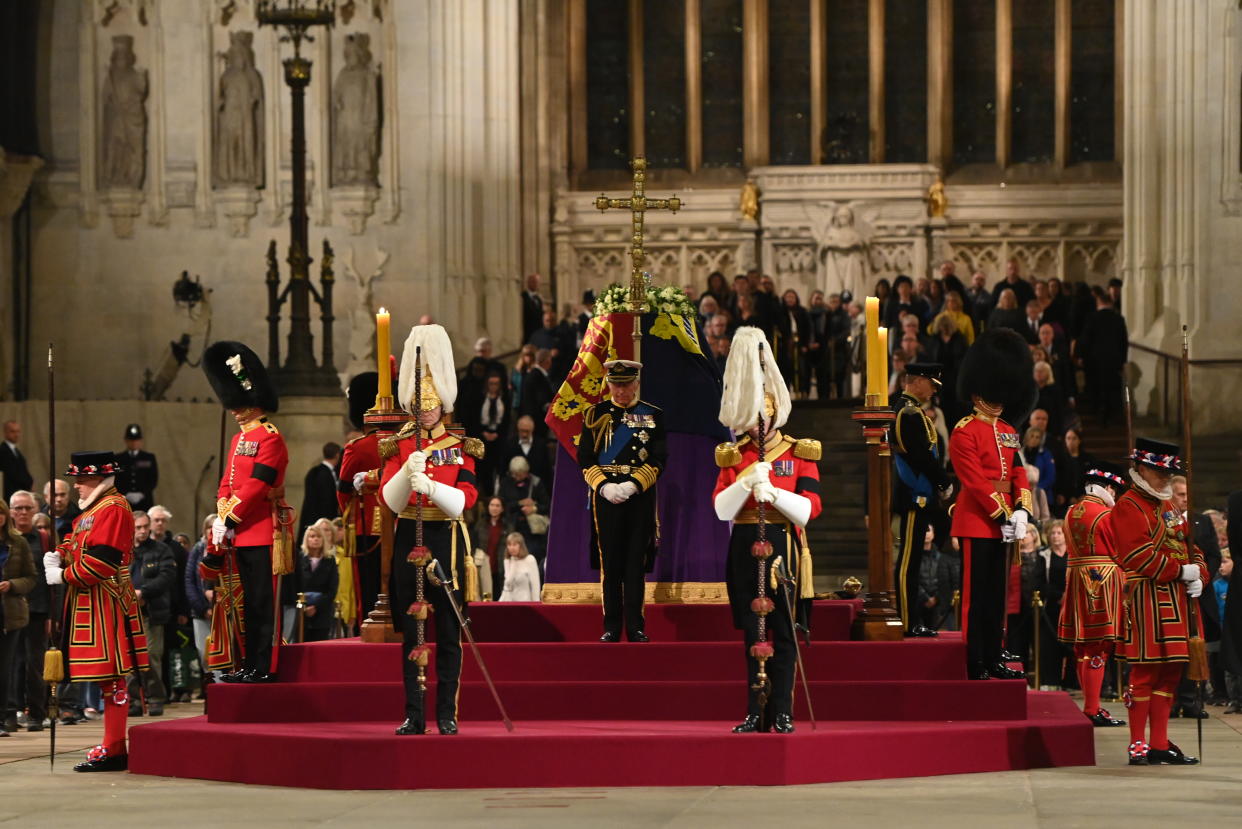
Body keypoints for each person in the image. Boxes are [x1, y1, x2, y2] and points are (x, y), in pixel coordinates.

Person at [713, 327, 822, 733]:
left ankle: (782, 710)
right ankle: (754, 711)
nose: (760, 424)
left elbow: (809, 511)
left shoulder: (799, 452)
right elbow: (722, 509)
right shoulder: (734, 455)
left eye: (765, 415)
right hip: (743, 543)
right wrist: (743, 483)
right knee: (750, 634)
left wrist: (772, 493)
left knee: (782, 633)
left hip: (782, 548)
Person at [380, 324, 483, 736]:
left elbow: (466, 500)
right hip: (410, 536)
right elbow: (388, 501)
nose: (424, 412)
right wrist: (408, 473)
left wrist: (433, 487)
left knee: (450, 633)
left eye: (431, 405)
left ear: (442, 405)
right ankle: (414, 713)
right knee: (413, 633)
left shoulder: (462, 446)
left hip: (446, 539)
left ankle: (447, 712)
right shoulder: (400, 445)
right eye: (419, 406)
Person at [41, 450, 149, 772]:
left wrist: (64, 575)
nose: (76, 486)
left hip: (106, 600)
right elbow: (76, 541)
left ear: (99, 479)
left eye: (82, 480)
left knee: (113, 678)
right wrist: (58, 555)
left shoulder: (113, 509)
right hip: (90, 602)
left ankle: (115, 748)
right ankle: (112, 745)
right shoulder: (92, 510)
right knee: (106, 679)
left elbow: (102, 562)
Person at [199, 341, 290, 684]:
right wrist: (222, 512)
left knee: (261, 604)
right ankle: (249, 663)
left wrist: (229, 517)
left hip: (263, 530)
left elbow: (257, 486)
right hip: (241, 530)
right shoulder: (239, 440)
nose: (235, 411)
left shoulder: (270, 438)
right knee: (246, 603)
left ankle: (263, 665)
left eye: (240, 405)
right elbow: (229, 481)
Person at [1112, 438, 1207, 765]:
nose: (1166, 478)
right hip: (1147, 600)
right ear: (1141, 469)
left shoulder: (1168, 506)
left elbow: (1192, 547)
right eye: (1159, 471)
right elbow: (1137, 556)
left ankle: (1159, 742)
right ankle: (1137, 742)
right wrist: (1181, 571)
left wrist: (1200, 575)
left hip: (1178, 599)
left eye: (1169, 473)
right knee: (1145, 673)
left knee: (1170, 675)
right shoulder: (1128, 504)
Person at [950, 328, 1036, 680]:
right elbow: (974, 481)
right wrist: (1003, 512)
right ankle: (975, 658)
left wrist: (1022, 509)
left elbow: (1017, 472)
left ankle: (995, 653)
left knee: (998, 597)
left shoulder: (1007, 430)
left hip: (1003, 522)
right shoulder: (964, 431)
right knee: (976, 596)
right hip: (976, 520)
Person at [578, 360, 666, 643]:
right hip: (606, 497)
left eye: (626, 384)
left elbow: (659, 458)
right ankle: (611, 626)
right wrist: (603, 486)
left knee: (634, 564)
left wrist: (633, 484)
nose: (621, 391)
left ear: (636, 384)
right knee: (611, 563)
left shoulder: (653, 415)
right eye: (616, 384)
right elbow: (585, 457)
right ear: (608, 384)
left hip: (638, 496)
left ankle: (636, 626)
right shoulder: (595, 414)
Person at [1057, 467, 1128, 725]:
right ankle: (1092, 708)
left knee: (1082, 647)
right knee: (1100, 647)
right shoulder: (1107, 514)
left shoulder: (1069, 513)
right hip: (1103, 580)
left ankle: (1091, 706)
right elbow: (1119, 551)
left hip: (1076, 579)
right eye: (1115, 491)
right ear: (1108, 488)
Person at [891, 363, 951, 637]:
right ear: (916, 381)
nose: (934, 390)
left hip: (921, 493)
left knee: (913, 559)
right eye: (931, 384)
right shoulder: (907, 412)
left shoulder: (914, 411)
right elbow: (920, 456)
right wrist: (943, 480)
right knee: (908, 561)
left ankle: (912, 619)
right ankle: (906, 620)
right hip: (914, 493)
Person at [6, 491, 50, 732]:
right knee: (11, 663)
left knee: (35, 665)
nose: (23, 512)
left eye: (27, 508)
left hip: (38, 610)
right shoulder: (6, 540)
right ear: (10, 512)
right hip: (11, 611)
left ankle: (36, 713)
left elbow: (53, 580)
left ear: (35, 511)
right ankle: (10, 713)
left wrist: (53, 615)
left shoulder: (44, 540)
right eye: (18, 508)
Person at [125, 510, 175, 716]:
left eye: (146, 526)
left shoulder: (161, 550)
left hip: (151, 611)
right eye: (139, 527)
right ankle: (134, 700)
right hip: (126, 611)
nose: (143, 531)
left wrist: (143, 592)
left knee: (151, 656)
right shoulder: (123, 550)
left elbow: (167, 577)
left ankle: (155, 698)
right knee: (129, 659)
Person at [0, 499, 37, 736]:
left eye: (1, 513)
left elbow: (31, 577)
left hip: (10, 614)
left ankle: (5, 716)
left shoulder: (18, 542)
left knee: (5, 668)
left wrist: (11, 584)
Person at [1077, 290, 1129, 429]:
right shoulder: (1119, 319)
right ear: (1110, 303)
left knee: (1095, 386)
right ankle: (1111, 416)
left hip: (1094, 360)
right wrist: (1123, 360)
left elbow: (1085, 339)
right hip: (1113, 360)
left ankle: (1096, 414)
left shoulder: (1092, 317)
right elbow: (1124, 341)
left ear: (1098, 303)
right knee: (1111, 387)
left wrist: (1081, 356)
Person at [184, 513, 218, 687]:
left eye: (215, 527)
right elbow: (189, 580)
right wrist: (203, 608)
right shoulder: (198, 549)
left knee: (220, 653)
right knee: (203, 651)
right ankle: (209, 689)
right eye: (209, 527)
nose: (212, 531)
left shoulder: (226, 548)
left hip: (221, 612)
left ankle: (220, 687)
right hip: (200, 612)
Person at [297, 524, 339, 642]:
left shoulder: (330, 560)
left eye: (319, 537)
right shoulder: (299, 559)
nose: (315, 539)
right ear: (306, 539)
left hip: (322, 612)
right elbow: (295, 586)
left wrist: (316, 607)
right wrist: (304, 607)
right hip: (301, 612)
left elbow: (332, 589)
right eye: (312, 536)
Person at [298, 442, 341, 539]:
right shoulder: (325, 474)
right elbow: (327, 501)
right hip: (323, 521)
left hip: (311, 518)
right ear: (337, 455)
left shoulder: (314, 471)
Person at [774, 290, 811, 398]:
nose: (790, 299)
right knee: (786, 369)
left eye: (792, 297)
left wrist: (805, 344)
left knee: (801, 369)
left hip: (800, 344)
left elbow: (807, 329)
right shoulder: (780, 312)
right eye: (788, 297)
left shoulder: (802, 311)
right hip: (785, 346)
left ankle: (802, 392)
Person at [472, 496, 511, 596]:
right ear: (488, 507)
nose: (494, 508)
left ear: (502, 509)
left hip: (500, 567)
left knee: (499, 594)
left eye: (497, 506)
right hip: (483, 565)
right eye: (492, 505)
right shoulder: (480, 524)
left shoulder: (507, 526)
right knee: (486, 594)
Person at [114, 423, 158, 511]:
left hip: (145, 502)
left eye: (137, 440)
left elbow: (153, 479)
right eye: (131, 440)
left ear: (141, 441)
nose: (134, 442)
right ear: (126, 440)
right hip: (124, 501)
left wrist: (142, 493)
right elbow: (115, 480)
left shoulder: (148, 458)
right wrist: (126, 494)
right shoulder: (118, 459)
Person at [498, 532, 541, 602]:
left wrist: (536, 604)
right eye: (509, 545)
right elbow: (507, 585)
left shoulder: (530, 559)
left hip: (525, 603)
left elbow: (535, 586)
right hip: (508, 603)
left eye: (514, 544)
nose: (511, 548)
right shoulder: (507, 560)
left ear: (521, 546)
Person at [0, 421, 34, 501]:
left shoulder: (15, 451)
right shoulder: (3, 451)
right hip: (11, 495)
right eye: (12, 431)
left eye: (18, 431)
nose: (16, 434)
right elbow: (13, 474)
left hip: (20, 492)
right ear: (5, 433)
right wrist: (28, 483)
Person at [521, 272, 545, 344]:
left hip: (538, 333)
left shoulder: (539, 298)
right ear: (528, 282)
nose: (536, 284)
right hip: (527, 332)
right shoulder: (523, 296)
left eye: (538, 282)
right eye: (534, 282)